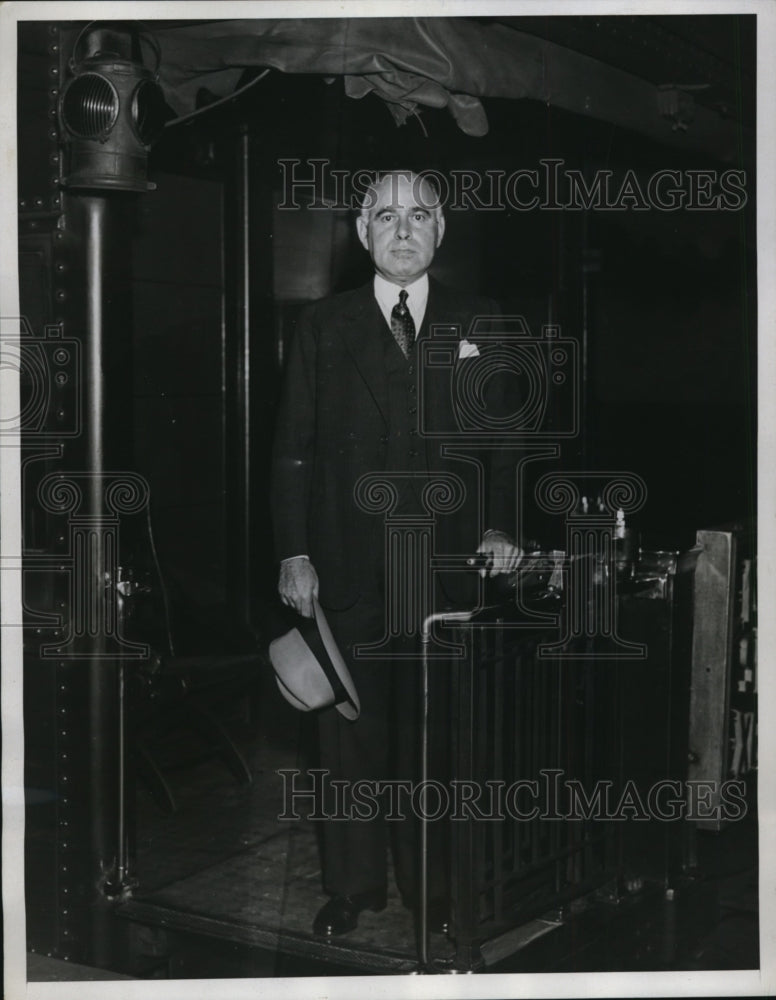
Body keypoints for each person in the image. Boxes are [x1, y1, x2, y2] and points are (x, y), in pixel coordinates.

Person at [271, 170, 521, 937]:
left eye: (418, 215)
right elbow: (293, 451)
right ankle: (353, 889)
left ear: (440, 231)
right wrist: (293, 553)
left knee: (435, 740)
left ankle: (433, 890)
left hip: (443, 570)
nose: (402, 228)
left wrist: (502, 526)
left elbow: (504, 446)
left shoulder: (484, 324)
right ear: (362, 234)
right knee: (347, 735)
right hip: (345, 568)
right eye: (385, 216)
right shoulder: (324, 325)